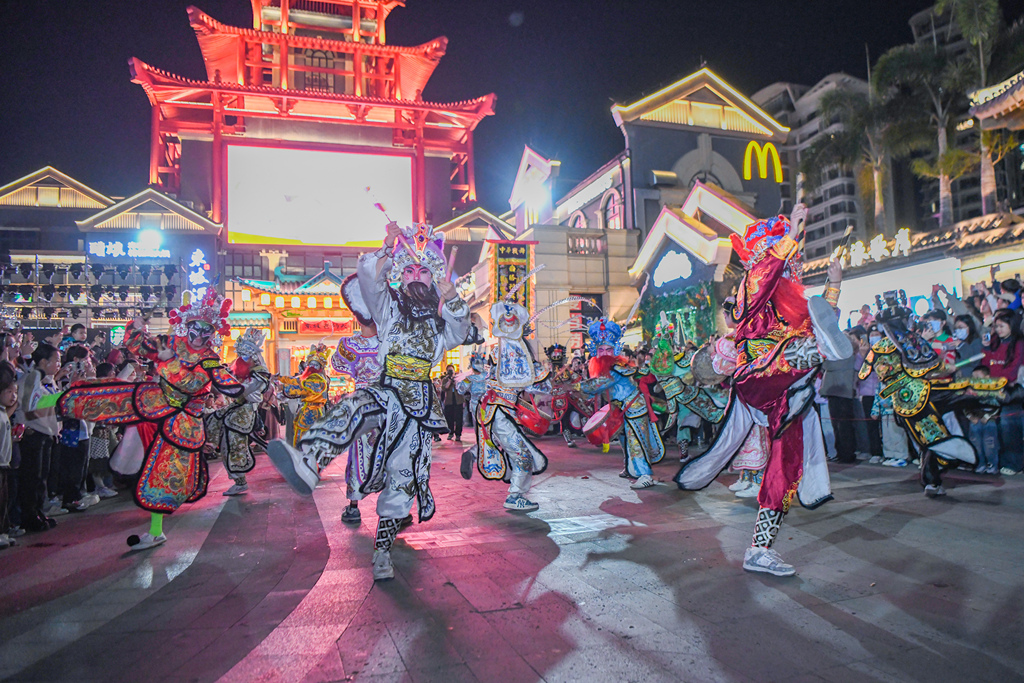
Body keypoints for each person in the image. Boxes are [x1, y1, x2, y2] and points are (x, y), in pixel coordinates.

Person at [267, 221, 470, 581]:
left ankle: (382, 551)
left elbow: (459, 331)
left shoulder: (441, 321)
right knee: (355, 405)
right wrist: (386, 247)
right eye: (408, 269)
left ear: (434, 275)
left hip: (420, 407)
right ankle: (309, 462)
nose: (416, 275)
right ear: (401, 276)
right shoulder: (390, 310)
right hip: (387, 390)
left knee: (402, 478)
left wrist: (451, 294)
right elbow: (370, 283)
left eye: (424, 269)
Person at [676, 207, 850, 577]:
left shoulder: (789, 299)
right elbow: (765, 273)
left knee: (786, 468)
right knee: (808, 348)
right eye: (787, 255)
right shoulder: (752, 287)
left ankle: (759, 549)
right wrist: (792, 232)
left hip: (790, 393)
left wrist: (834, 284)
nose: (794, 263)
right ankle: (819, 354)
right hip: (760, 375)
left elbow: (819, 320)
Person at [58, 290, 244, 550]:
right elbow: (139, 346)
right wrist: (135, 330)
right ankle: (51, 402)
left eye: (207, 330)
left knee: (164, 471)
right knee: (105, 396)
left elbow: (198, 384)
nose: (200, 334)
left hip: (183, 421)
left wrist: (168, 361)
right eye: (196, 327)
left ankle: (156, 531)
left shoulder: (209, 360)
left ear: (213, 333)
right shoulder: (172, 343)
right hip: (154, 402)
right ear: (187, 326)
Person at [474, 301, 549, 511]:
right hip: (499, 411)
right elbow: (540, 383)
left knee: (514, 450)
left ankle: (473, 453)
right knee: (523, 455)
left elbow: (536, 382)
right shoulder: (509, 353)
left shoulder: (502, 352)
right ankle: (515, 496)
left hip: (497, 411)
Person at [580, 318, 665, 490]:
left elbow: (598, 384)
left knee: (636, 442)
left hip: (634, 407)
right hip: (622, 408)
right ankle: (629, 469)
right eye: (601, 349)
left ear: (615, 350)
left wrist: (575, 386)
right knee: (625, 439)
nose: (604, 352)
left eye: (608, 349)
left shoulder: (615, 369)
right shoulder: (608, 367)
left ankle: (645, 474)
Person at [204, 328, 272, 496]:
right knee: (216, 420)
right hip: (238, 407)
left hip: (246, 410)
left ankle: (240, 480)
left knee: (235, 444)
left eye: (246, 355)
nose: (242, 358)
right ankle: (211, 445)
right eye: (241, 355)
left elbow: (244, 391)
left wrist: (229, 386)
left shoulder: (259, 374)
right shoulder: (240, 370)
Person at [329, 314, 382, 524]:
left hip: (362, 404)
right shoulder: (389, 341)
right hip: (387, 403)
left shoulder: (350, 345)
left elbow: (336, 363)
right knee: (389, 452)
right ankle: (396, 507)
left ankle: (354, 506)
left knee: (359, 455)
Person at [18, 343, 65, 532]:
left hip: (45, 435)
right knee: (32, 478)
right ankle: (29, 517)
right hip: (33, 435)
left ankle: (38, 512)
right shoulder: (32, 377)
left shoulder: (46, 379)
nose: (58, 364)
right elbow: (31, 405)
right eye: (56, 360)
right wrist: (63, 396)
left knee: (41, 478)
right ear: (44, 361)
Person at [983, 310, 1024, 475]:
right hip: (991, 390)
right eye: (996, 326)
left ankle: (1014, 463)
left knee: (1008, 425)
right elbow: (985, 365)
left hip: (1010, 392)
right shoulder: (993, 342)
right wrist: (986, 349)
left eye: (1001, 326)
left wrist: (1000, 381)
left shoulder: (1019, 344)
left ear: (1011, 325)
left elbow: (1015, 369)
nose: (998, 329)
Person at [277, 343, 330, 447]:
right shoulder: (311, 377)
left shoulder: (317, 379)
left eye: (315, 365)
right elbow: (297, 381)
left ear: (321, 367)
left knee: (307, 435)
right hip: (307, 409)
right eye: (311, 364)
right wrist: (280, 378)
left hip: (313, 411)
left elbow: (300, 388)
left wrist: (283, 388)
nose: (312, 367)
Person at [0, 361, 19, 548]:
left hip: (5, 463)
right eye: (9, 392)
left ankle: (3, 531)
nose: (13, 396)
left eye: (15, 392)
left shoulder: (3, 413)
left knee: (4, 499)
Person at [440, 365, 464, 442]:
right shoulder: (445, 379)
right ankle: (451, 432)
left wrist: (456, 380)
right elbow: (444, 388)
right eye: (449, 371)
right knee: (449, 418)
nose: (450, 372)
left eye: (451, 370)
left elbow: (462, 388)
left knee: (458, 418)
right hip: (449, 401)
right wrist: (449, 381)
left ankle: (458, 434)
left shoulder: (458, 378)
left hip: (458, 401)